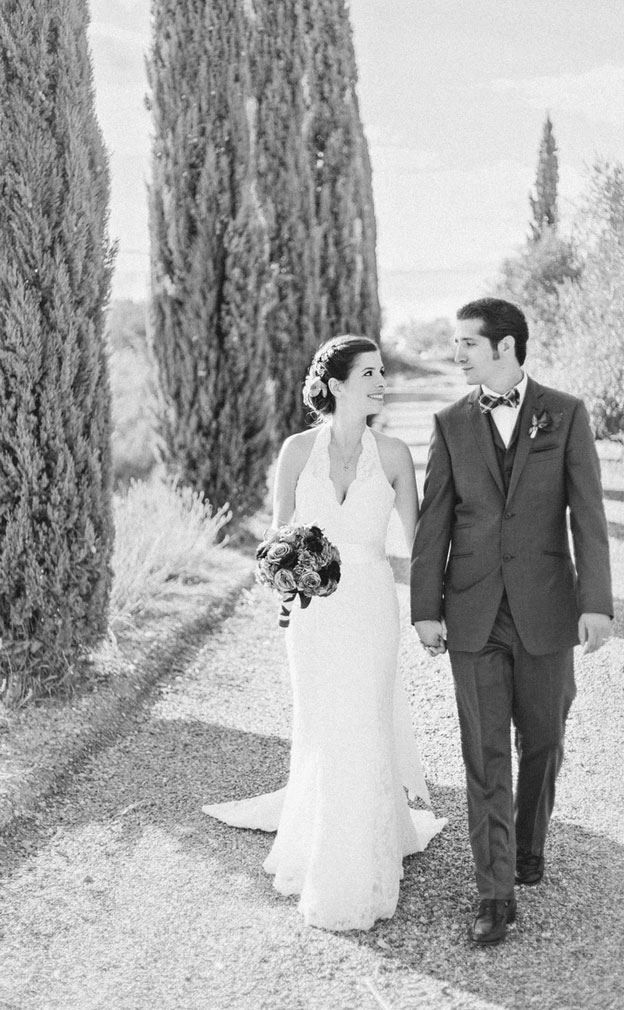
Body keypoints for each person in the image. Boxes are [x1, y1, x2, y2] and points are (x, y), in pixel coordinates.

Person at [204, 334, 445, 931]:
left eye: (383, 372)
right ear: (336, 385)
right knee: (322, 726)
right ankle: (321, 838)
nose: (381, 382)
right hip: (312, 616)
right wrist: (283, 574)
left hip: (369, 606)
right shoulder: (295, 451)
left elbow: (418, 547)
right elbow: (277, 535)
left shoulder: (392, 455)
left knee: (364, 721)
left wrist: (433, 611)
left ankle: (358, 864)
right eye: (369, 374)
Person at [411, 297, 613, 946]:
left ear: (505, 347)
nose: (457, 353)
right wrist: (424, 610)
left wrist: (597, 603)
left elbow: (589, 517)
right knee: (485, 756)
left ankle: (528, 847)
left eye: (467, 343)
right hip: (471, 614)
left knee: (545, 742)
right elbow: (432, 526)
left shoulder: (565, 414)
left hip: (547, 610)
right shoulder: (448, 425)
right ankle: (494, 895)